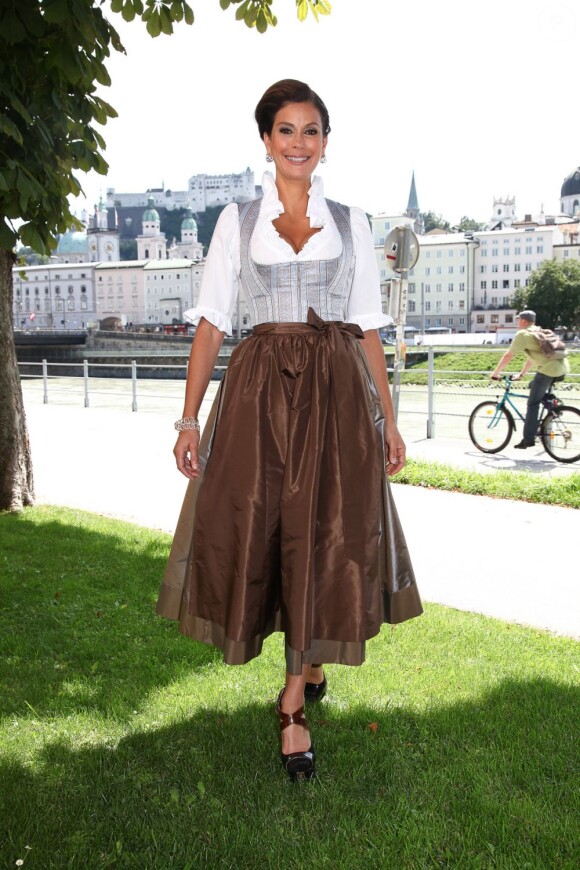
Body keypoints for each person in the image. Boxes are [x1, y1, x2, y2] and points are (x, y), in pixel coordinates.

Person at [156, 79, 422, 782]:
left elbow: (366, 326)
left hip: (335, 394)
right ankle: (305, 661)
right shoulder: (236, 222)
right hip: (258, 399)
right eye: (285, 130)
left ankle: (295, 698)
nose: (298, 143)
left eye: (310, 131)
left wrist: (387, 421)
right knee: (267, 530)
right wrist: (189, 419)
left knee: (328, 531)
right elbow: (212, 321)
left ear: (325, 142)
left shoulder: (352, 222)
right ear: (266, 141)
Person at [491, 310, 570, 448]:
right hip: (562, 369)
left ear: (522, 321)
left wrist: (496, 372)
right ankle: (552, 404)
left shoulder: (522, 334)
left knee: (533, 404)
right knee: (533, 385)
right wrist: (521, 374)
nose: (517, 323)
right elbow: (532, 358)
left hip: (547, 370)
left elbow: (509, 355)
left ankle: (528, 439)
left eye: (518, 320)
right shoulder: (539, 331)